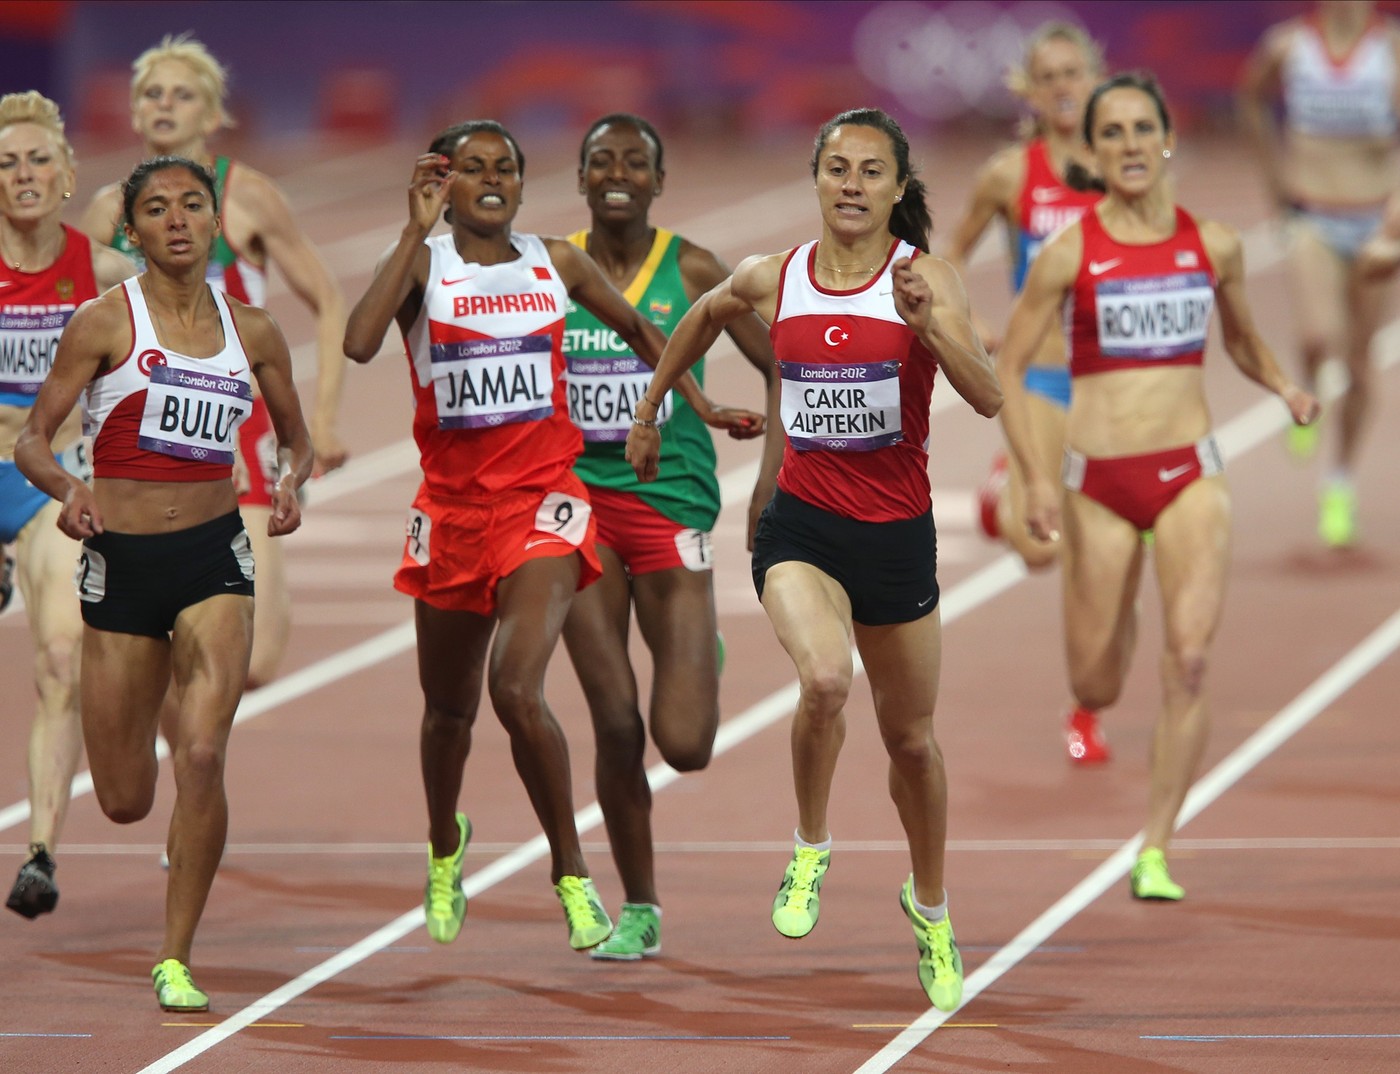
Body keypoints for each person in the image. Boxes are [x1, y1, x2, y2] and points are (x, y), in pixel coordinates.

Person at [342, 120, 761, 955]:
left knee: (521, 690)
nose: (490, 181)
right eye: (472, 169)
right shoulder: (426, 267)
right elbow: (358, 343)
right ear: (445, 183)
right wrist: (410, 233)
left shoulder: (554, 264)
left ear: (526, 185)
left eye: (505, 169)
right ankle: (443, 846)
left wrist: (697, 407)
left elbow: (646, 330)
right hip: (454, 516)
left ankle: (571, 876)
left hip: (547, 505)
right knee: (448, 713)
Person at [625, 108, 1002, 1010]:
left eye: (872, 172)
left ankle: (933, 907)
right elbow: (701, 319)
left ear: (898, 189)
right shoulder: (774, 276)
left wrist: (932, 329)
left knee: (911, 742)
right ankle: (810, 846)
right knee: (826, 681)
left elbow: (986, 397)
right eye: (837, 168)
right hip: (803, 530)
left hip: (897, 537)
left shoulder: (925, 279)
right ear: (817, 176)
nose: (852, 185)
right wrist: (654, 407)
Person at [997, 74, 1318, 902]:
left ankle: (1155, 846)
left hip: (1186, 473)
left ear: (1167, 139)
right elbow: (1010, 359)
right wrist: (1034, 476)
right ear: (1096, 154)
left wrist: (1283, 387)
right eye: (1114, 133)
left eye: (1145, 128)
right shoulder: (1072, 252)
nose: (1132, 144)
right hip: (1097, 481)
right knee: (1098, 681)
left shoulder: (1214, 244)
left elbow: (1244, 341)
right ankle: (1113, 613)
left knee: (1194, 660)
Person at [15, 155, 313, 1010]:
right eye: (156, 208)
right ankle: (142, 714)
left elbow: (293, 440)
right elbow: (35, 438)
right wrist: (69, 490)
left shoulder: (252, 330)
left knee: (207, 751)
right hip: (124, 563)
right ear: (132, 230)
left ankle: (176, 955)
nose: (177, 219)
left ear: (216, 221)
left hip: (216, 553)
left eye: (192, 204)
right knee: (121, 799)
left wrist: (290, 481)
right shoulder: (104, 323)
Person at [560, 113, 779, 960]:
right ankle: (640, 906)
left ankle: (701, 654)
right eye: (601, 161)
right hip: (576, 505)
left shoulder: (689, 268)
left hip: (670, 500)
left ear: (660, 179)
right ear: (580, 178)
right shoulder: (556, 268)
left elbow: (780, 363)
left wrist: (767, 478)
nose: (618, 173)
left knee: (682, 744)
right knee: (616, 723)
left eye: (635, 162)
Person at [80, 33, 348, 688]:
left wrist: (322, 420)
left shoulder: (246, 196)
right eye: (151, 93)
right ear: (136, 112)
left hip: (235, 425)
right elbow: (77, 331)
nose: (164, 105)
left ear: (213, 114)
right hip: (135, 433)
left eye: (183, 94)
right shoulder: (108, 210)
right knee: (150, 636)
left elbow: (330, 299)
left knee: (253, 661)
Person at [943, 21, 1111, 763]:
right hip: (1038, 376)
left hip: (1113, 387)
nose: (1065, 86)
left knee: (1096, 551)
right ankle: (1005, 484)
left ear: (1096, 78)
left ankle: (1085, 709)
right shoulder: (1012, 174)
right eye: (1050, 77)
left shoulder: (1126, 162)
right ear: (1032, 93)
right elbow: (949, 249)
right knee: (1041, 549)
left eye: (1075, 72)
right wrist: (975, 322)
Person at [1, 91, 137, 919]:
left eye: (36, 160)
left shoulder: (107, 274)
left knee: (60, 658)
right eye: (5, 163)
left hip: (50, 480)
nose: (21, 174)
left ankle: (41, 852)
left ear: (68, 175)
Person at [1238, 0, 1400, 547]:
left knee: (1359, 360)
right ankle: (1306, 385)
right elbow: (1251, 99)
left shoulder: (1391, 48)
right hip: (1313, 218)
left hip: (1376, 223)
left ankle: (1340, 482)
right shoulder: (1288, 47)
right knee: (1316, 335)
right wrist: (1273, 178)